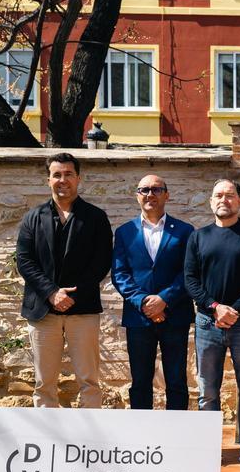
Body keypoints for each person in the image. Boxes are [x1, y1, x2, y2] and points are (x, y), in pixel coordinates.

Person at [15, 152, 112, 408]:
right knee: (44, 383)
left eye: (68, 174)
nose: (63, 180)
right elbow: (24, 261)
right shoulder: (32, 218)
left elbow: (101, 262)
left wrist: (71, 296)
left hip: (84, 310)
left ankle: (90, 440)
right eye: (57, 175)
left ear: (78, 178)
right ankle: (47, 441)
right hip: (43, 312)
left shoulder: (96, 217)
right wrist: (51, 293)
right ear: (48, 180)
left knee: (89, 381)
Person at [184, 179, 240, 469]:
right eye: (218, 195)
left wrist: (234, 310)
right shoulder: (198, 237)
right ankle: (208, 448)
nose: (224, 200)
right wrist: (215, 307)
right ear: (211, 202)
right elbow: (190, 280)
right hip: (208, 323)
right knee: (208, 390)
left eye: (230, 195)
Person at [111, 174, 195, 411]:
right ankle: (141, 436)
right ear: (137, 195)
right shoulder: (125, 232)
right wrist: (144, 302)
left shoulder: (184, 231)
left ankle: (175, 434)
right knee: (140, 381)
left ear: (166, 195)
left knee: (177, 380)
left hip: (175, 314)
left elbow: (189, 272)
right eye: (144, 190)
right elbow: (120, 273)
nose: (150, 194)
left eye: (157, 190)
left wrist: (164, 300)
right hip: (139, 317)